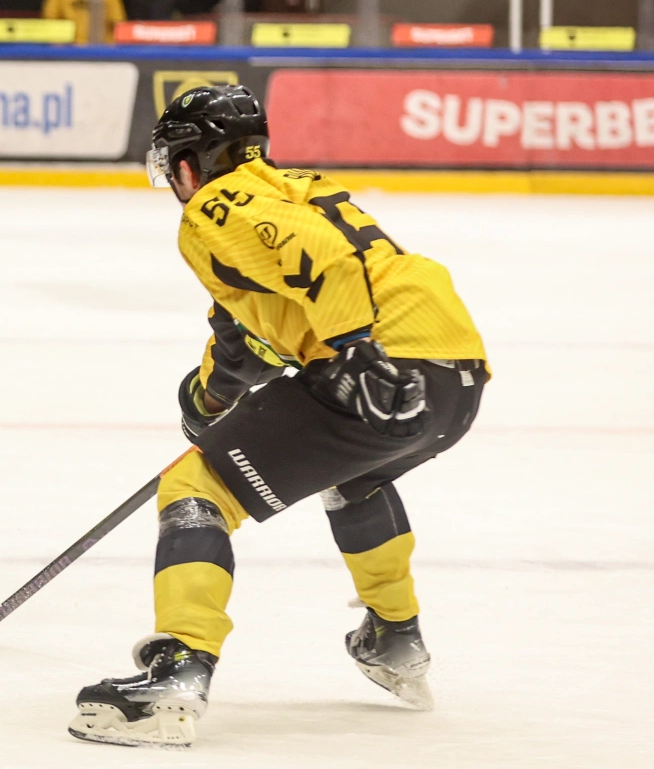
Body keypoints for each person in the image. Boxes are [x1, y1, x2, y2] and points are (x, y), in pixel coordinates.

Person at [68, 86, 488, 747]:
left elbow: (326, 261)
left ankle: (178, 671)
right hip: (453, 377)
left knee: (195, 489)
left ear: (188, 164)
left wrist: (356, 355)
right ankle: (395, 638)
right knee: (354, 480)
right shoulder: (292, 189)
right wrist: (208, 400)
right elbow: (245, 343)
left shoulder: (216, 204)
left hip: (377, 364)